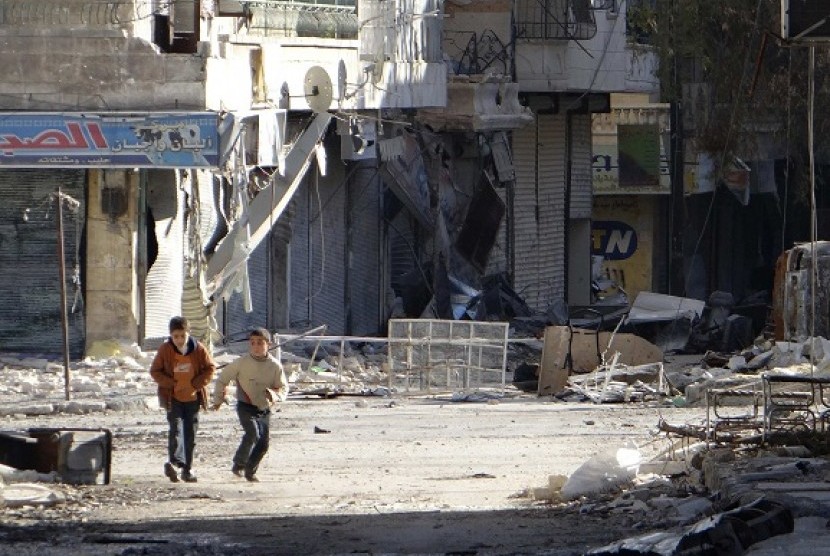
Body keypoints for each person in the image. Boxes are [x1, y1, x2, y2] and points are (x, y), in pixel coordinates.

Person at [211, 327, 288, 482]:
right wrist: (218, 399)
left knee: (263, 444)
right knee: (253, 433)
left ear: (269, 344)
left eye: (260, 343)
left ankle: (250, 471)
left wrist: (274, 395)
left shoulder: (275, 366)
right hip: (245, 405)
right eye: (252, 343)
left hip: (264, 408)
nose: (256, 346)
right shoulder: (241, 363)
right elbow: (222, 379)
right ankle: (238, 464)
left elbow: (283, 387)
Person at [149, 316, 216, 483]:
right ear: (171, 336)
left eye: (182, 336)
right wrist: (171, 383)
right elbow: (155, 371)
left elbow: (210, 368)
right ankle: (175, 462)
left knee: (190, 434)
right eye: (175, 336)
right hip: (173, 398)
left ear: (188, 333)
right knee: (176, 429)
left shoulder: (198, 349)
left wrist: (196, 384)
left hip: (193, 398)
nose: (179, 340)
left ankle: (187, 469)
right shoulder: (165, 350)